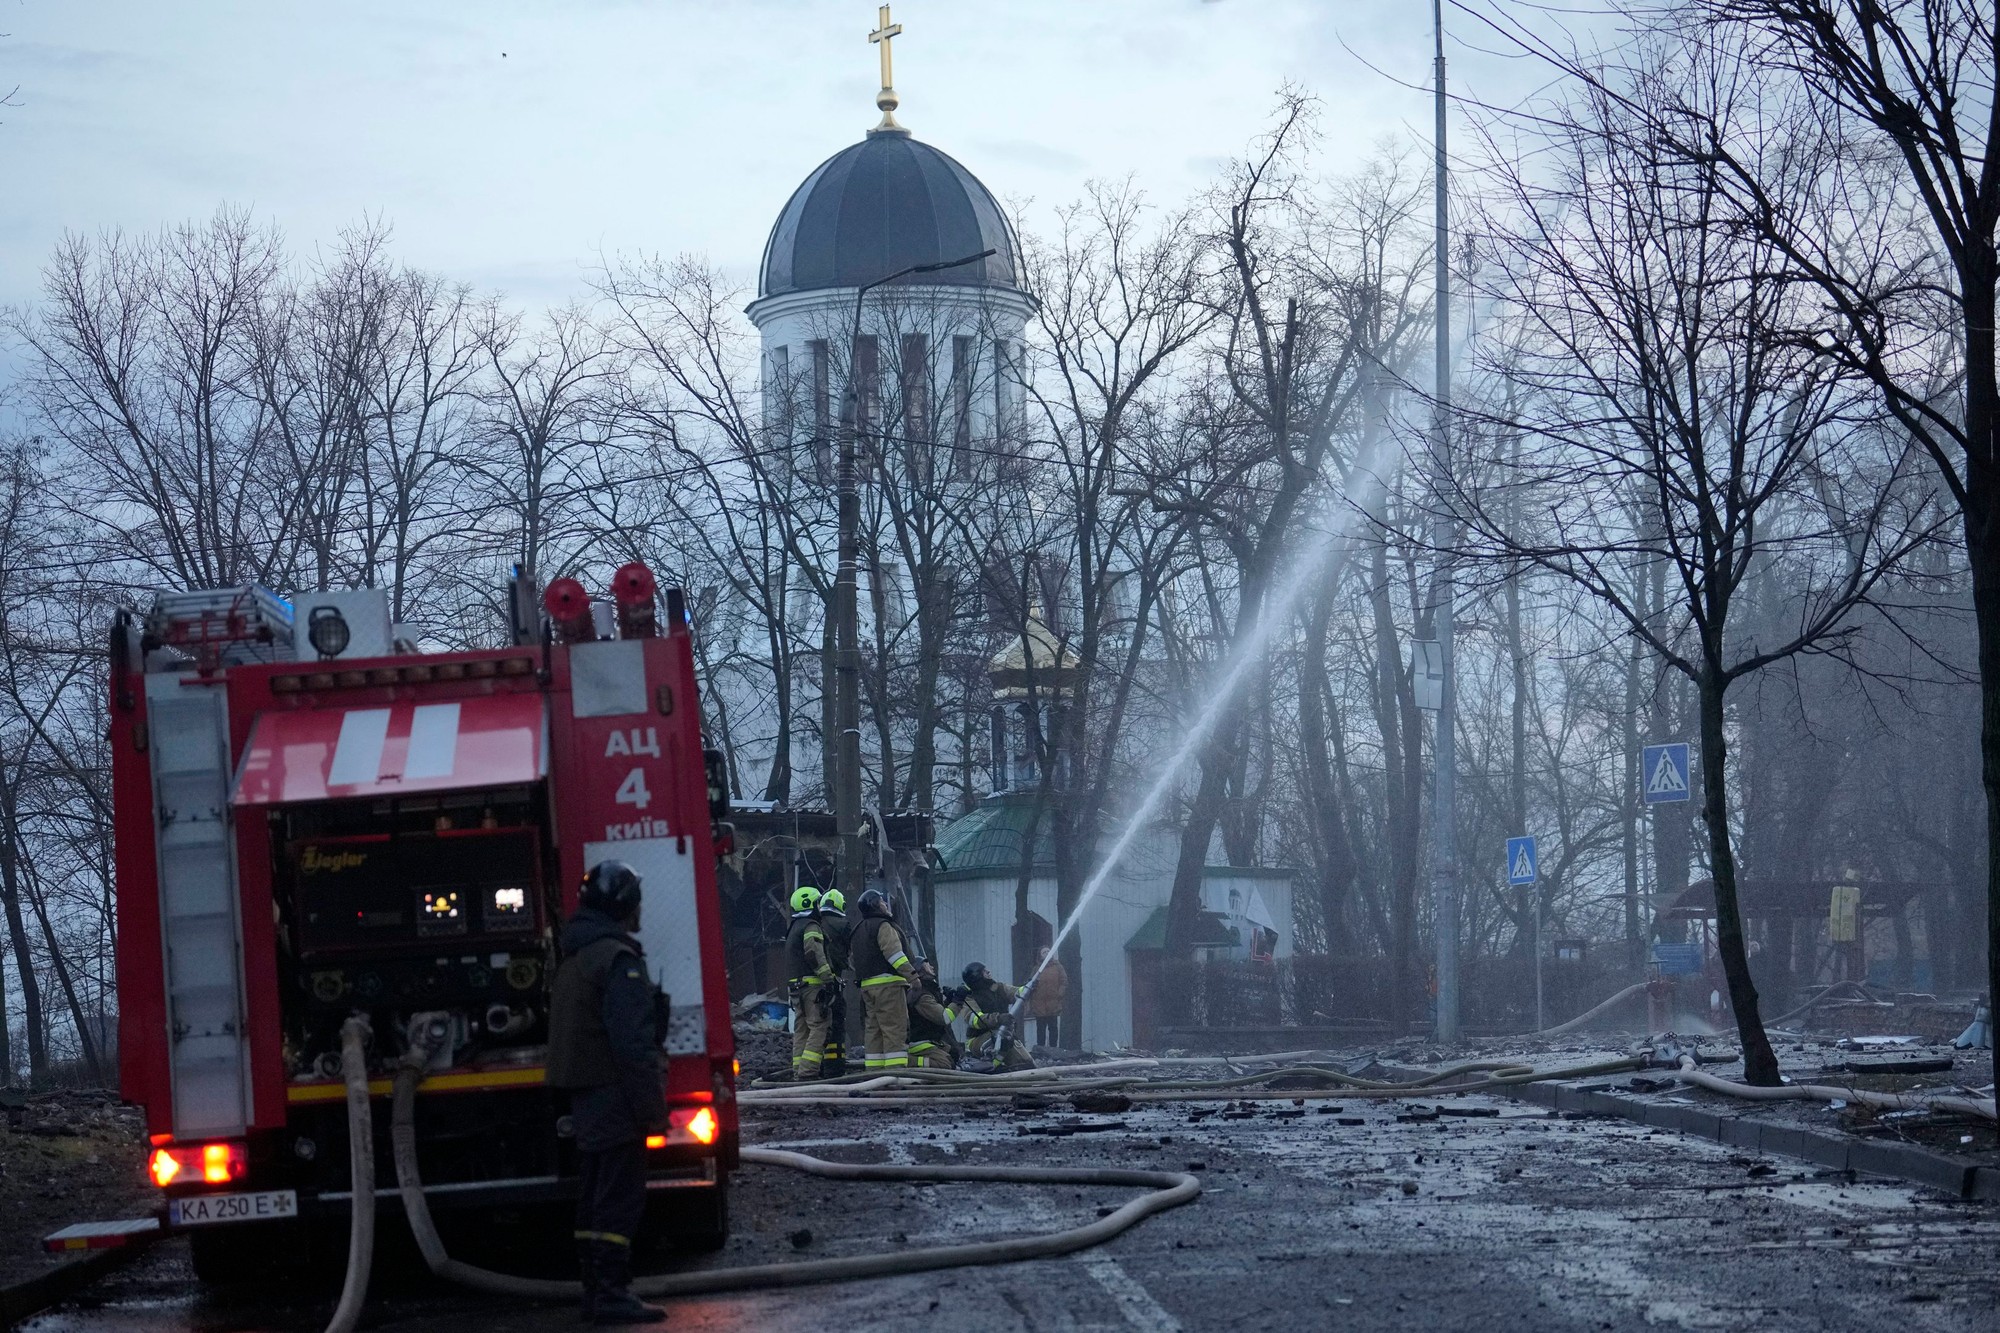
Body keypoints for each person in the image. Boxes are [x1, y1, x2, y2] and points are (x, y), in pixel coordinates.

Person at [546, 859, 669, 1326]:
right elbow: (632, 1046)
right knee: (618, 1198)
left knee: (595, 1194)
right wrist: (652, 1110)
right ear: (623, 905)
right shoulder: (616, 961)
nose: (639, 910)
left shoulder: (577, 956)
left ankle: (596, 1291)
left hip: (587, 1097)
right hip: (615, 1098)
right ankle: (613, 1294)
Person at [850, 889, 920, 1069]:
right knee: (894, 1031)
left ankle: (874, 1073)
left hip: (867, 988)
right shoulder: (883, 926)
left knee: (874, 1032)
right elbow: (895, 955)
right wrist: (913, 976)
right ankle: (896, 1075)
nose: (886, 905)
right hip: (889, 987)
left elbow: (853, 960)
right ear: (875, 905)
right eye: (882, 901)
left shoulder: (858, 930)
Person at [784, 885, 835, 1079]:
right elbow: (814, 953)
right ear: (811, 904)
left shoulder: (794, 927)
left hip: (796, 987)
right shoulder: (811, 926)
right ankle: (808, 1072)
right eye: (818, 903)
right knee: (819, 1026)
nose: (820, 907)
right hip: (812, 986)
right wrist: (828, 978)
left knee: (802, 1029)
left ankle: (799, 1070)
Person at [961, 962, 1035, 1070]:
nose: (988, 972)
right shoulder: (969, 997)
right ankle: (989, 1065)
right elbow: (975, 1020)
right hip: (978, 1040)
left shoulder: (999, 988)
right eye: (984, 971)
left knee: (1026, 1063)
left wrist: (1028, 988)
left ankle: (1002, 1066)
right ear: (976, 976)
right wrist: (998, 1018)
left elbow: (1016, 992)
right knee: (1000, 1036)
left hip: (1004, 1037)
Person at [815, 888, 851, 1076]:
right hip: (833, 982)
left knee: (816, 1026)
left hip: (813, 985)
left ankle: (815, 1068)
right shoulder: (843, 925)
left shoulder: (814, 924)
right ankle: (835, 1068)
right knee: (836, 1025)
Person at [906, 959, 963, 1069]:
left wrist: (950, 1001)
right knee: (946, 1064)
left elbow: (934, 1013)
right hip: (920, 1043)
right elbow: (944, 1017)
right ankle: (909, 1061)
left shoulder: (928, 991)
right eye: (927, 965)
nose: (932, 967)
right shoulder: (922, 996)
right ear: (920, 971)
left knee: (954, 1054)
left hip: (931, 1040)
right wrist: (957, 1001)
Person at [1025, 945, 1067, 1050]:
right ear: (1040, 956)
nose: (1047, 953)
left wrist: (1059, 994)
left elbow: (1064, 981)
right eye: (1044, 952)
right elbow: (1030, 983)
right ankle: (1041, 1050)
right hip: (1039, 1004)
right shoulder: (1036, 969)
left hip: (1053, 1003)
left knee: (1053, 1028)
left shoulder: (1058, 967)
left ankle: (1054, 1050)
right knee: (1041, 1029)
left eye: (1049, 951)